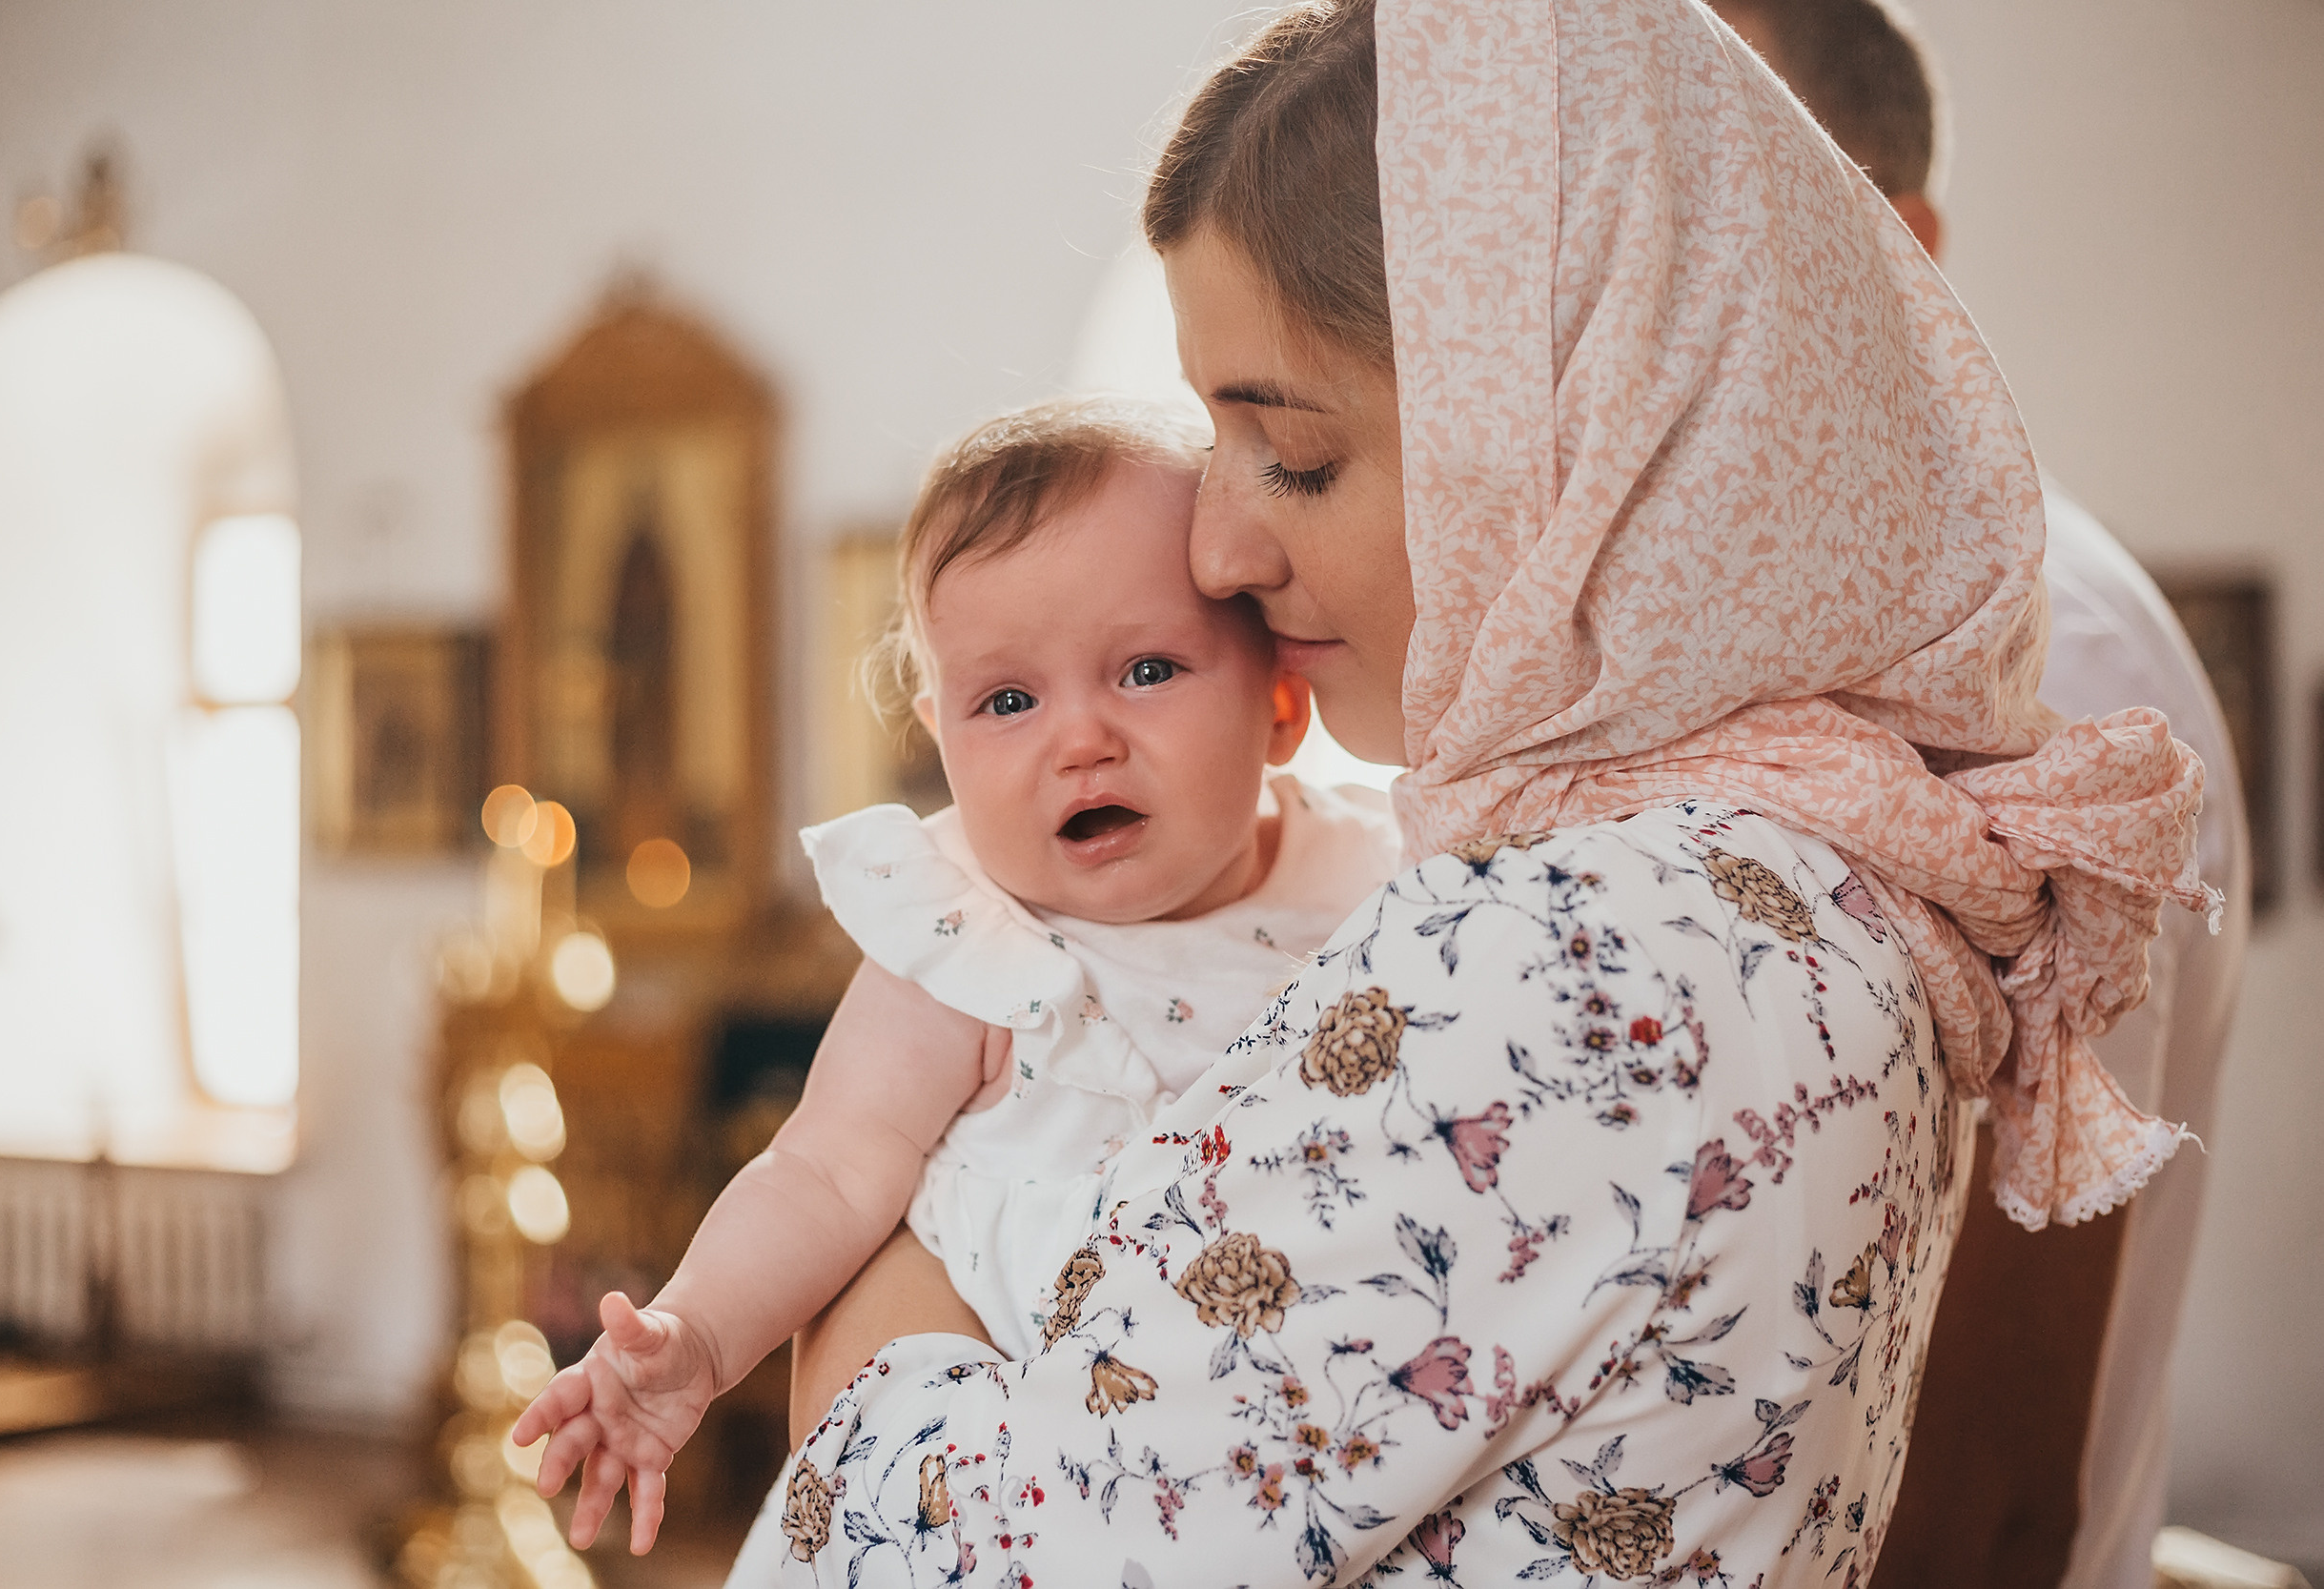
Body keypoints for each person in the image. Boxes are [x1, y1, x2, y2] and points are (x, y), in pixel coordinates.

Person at [561, 1, 2218, 1579]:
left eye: (1296, 453)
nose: (1217, 547)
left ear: (1570, 421)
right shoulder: (1824, 854)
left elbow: (943, 1547)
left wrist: (880, 1311)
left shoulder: (1577, 952)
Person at [510, 396, 1400, 1553]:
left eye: (1146, 667)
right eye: (1009, 701)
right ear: (942, 737)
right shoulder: (969, 940)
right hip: (1016, 1474)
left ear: (1279, 699)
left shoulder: (1375, 883)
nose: (1080, 738)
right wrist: (696, 1340)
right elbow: (824, 1172)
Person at [1699, 6, 2252, 1583]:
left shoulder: (2021, 653)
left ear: (1906, 245)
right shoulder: (1870, 620)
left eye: (1715, 193)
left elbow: (1984, 1484)